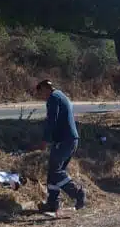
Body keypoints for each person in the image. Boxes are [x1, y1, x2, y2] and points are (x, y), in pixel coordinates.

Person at [35, 79, 85, 216]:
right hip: (70, 140)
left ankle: (78, 193)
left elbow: (52, 120)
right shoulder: (61, 95)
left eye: (41, 94)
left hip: (64, 141)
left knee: (56, 172)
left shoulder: (53, 98)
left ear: (45, 89)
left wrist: (45, 140)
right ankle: (52, 203)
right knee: (53, 172)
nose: (42, 97)